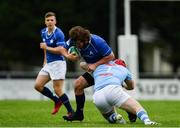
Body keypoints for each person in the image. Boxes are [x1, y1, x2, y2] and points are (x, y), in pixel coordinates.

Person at [60, 26, 137, 122]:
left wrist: (95, 65)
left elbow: (110, 56)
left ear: (85, 40)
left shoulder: (97, 42)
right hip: (94, 71)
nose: (76, 45)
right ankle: (79, 114)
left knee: (111, 95)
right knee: (78, 85)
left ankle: (131, 111)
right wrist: (68, 56)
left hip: (107, 70)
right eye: (74, 42)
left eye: (78, 43)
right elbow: (62, 48)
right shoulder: (74, 40)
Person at [88, 59, 158, 125]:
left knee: (108, 116)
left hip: (97, 95)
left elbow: (82, 65)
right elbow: (131, 87)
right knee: (137, 108)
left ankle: (115, 117)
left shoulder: (100, 67)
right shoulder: (124, 69)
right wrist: (124, 86)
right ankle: (147, 121)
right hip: (113, 90)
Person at [34, 12, 73, 116]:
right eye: (48, 20)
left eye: (52, 20)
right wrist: (45, 60)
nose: (50, 22)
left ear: (55, 21)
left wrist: (46, 47)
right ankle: (57, 101)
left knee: (58, 89)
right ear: (45, 22)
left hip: (58, 63)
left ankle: (70, 111)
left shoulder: (59, 33)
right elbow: (44, 48)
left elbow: (61, 50)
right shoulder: (43, 32)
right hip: (49, 64)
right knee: (38, 85)